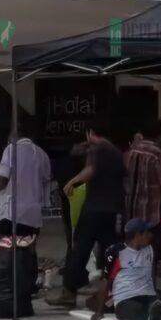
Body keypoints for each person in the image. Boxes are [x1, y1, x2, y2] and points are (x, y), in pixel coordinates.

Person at [47, 122, 125, 308]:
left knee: (79, 249)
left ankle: (69, 292)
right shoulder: (116, 153)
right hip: (111, 209)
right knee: (110, 252)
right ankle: (111, 292)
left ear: (92, 133)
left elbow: (90, 170)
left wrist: (72, 182)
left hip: (93, 209)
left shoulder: (97, 150)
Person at [91, 219, 161, 320]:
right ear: (138, 235)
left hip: (148, 295)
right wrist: (99, 312)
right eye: (147, 233)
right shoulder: (116, 252)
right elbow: (106, 282)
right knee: (136, 310)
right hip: (126, 298)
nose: (150, 235)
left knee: (160, 303)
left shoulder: (150, 249)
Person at [123, 119, 161, 265]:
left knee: (132, 256)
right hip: (152, 218)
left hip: (130, 216)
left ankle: (133, 286)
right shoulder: (160, 157)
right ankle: (149, 286)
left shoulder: (128, 153)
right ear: (160, 136)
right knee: (152, 256)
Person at [0, 119, 52, 237]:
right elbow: (46, 180)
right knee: (29, 245)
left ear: (13, 136)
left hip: (13, 212)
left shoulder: (10, 150)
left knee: (0, 242)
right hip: (34, 213)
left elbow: (3, 180)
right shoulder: (42, 154)